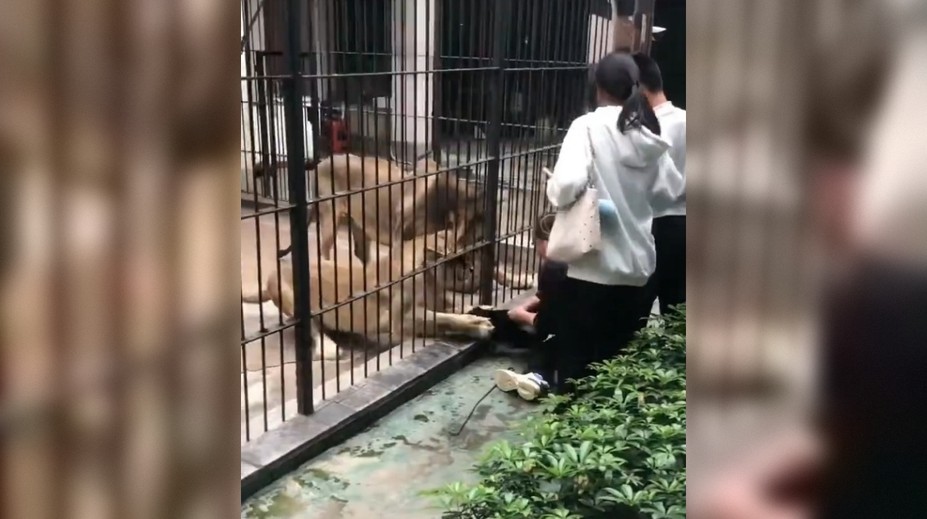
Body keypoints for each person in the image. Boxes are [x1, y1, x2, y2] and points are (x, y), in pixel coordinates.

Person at [544, 52, 683, 391]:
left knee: (575, 365)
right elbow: (670, 191)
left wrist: (556, 190)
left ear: (598, 87)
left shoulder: (587, 127)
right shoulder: (648, 135)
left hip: (591, 268)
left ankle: (569, 438)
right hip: (636, 272)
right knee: (615, 372)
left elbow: (565, 186)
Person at [472, 213, 568, 400]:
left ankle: (537, 377)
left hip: (563, 333)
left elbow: (547, 325)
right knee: (511, 319)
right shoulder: (576, 258)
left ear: (540, 241)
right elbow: (550, 298)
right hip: (587, 327)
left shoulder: (553, 266)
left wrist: (520, 315)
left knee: (546, 343)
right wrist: (523, 308)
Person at [632, 52, 686, 317]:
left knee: (638, 308)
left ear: (639, 88)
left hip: (655, 223)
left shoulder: (648, 129)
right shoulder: (687, 119)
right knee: (676, 308)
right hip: (685, 224)